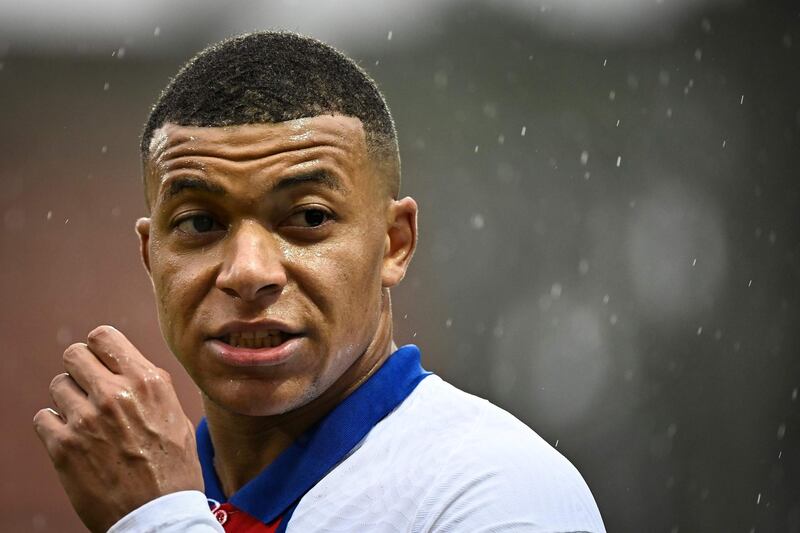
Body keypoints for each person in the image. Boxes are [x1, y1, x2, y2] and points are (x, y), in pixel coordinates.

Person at [33, 32, 606, 533]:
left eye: (308, 218)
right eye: (201, 223)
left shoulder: (497, 490)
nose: (248, 273)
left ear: (394, 243)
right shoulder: (144, 482)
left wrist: (156, 522)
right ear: (151, 254)